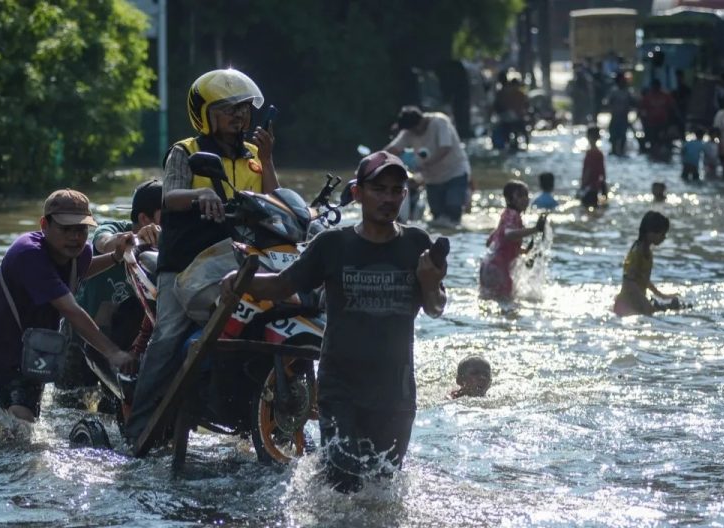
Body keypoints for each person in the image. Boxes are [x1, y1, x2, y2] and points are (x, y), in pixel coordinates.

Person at [220, 150, 447, 493]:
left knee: (383, 487)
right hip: (341, 385)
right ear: (357, 193)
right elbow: (283, 285)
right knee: (342, 484)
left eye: (396, 190)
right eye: (379, 189)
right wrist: (240, 281)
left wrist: (430, 281)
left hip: (395, 389)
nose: (388, 198)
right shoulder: (332, 245)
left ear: (405, 194)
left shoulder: (416, 244)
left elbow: (435, 307)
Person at [123, 68, 280, 445]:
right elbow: (170, 196)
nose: (238, 117)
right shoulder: (186, 151)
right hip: (186, 265)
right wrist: (200, 195)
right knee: (167, 336)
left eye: (242, 109)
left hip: (241, 260)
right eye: (228, 110)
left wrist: (270, 158)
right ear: (205, 114)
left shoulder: (256, 156)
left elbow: (275, 201)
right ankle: (138, 427)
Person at [0, 189, 136, 427]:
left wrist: (115, 257)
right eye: (66, 229)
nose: (75, 237)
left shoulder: (80, 254)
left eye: (81, 229)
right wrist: (113, 353)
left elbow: (78, 272)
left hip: (28, 358)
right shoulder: (28, 253)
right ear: (44, 225)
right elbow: (71, 310)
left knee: (23, 427)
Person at [56, 180, 163, 397]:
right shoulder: (113, 229)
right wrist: (136, 240)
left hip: (121, 343)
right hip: (80, 336)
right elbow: (104, 243)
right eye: (168, 215)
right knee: (69, 404)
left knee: (112, 409)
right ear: (144, 219)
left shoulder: (167, 248)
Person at [386, 106, 471, 228]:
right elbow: (393, 149)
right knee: (437, 217)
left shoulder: (440, 122)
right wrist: (375, 161)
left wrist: (426, 163)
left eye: (415, 130)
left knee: (453, 211)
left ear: (420, 122)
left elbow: (445, 148)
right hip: (432, 178)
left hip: (455, 173)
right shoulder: (409, 132)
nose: (414, 133)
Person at [479, 181, 546, 300]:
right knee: (507, 307)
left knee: (489, 301)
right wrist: (535, 229)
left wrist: (524, 251)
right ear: (509, 199)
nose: (525, 199)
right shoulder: (512, 215)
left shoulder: (505, 217)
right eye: (520, 196)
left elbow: (492, 243)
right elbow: (508, 235)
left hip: (487, 267)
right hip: (498, 270)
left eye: (526, 195)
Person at [613, 211, 680, 317]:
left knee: (676, 306)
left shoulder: (647, 252)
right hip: (627, 305)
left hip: (636, 301)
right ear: (650, 232)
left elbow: (643, 279)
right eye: (662, 234)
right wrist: (646, 304)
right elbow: (629, 282)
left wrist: (661, 295)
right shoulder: (637, 252)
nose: (664, 237)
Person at [492, 70, 531, 152]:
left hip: (511, 118)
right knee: (520, 132)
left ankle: (522, 145)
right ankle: (523, 145)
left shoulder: (502, 92)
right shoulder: (512, 93)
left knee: (518, 132)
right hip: (510, 119)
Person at [605, 72, 634, 157]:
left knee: (622, 137)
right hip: (615, 117)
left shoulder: (627, 92)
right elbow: (608, 103)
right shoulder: (613, 91)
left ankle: (621, 152)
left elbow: (632, 102)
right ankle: (614, 151)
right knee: (613, 137)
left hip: (624, 118)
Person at [579, 125, 607, 208]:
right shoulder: (600, 153)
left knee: (586, 209)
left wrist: (583, 185)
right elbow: (603, 172)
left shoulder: (590, 154)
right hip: (596, 187)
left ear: (588, 137)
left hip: (589, 187)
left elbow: (588, 170)